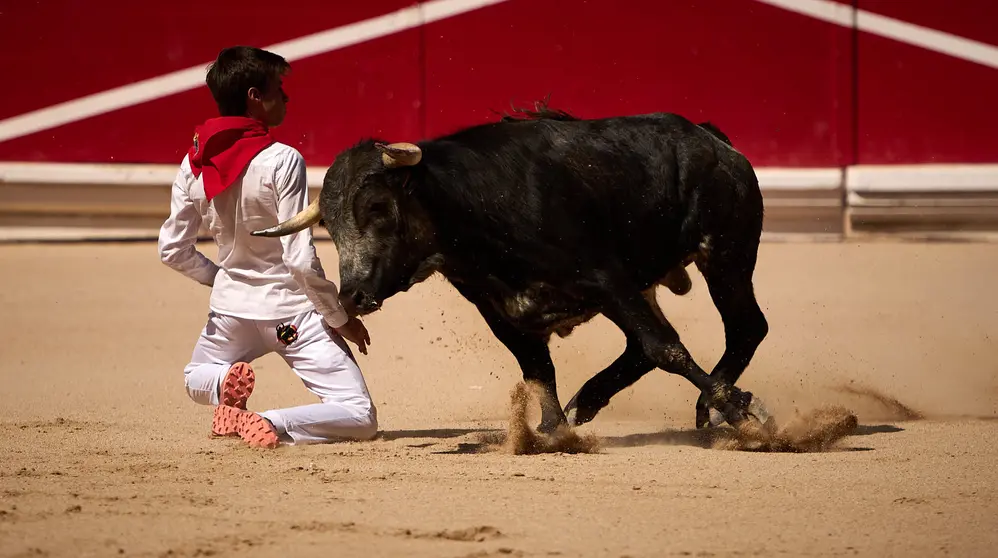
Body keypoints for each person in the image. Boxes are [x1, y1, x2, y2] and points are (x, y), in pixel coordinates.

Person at [157, 46, 377, 449]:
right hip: (292, 316)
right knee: (358, 414)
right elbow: (297, 257)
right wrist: (338, 314)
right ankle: (269, 422)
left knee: (196, 376)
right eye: (279, 89)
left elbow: (172, 249)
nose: (287, 98)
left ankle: (222, 382)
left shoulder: (194, 162)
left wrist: (224, 278)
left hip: (230, 314)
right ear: (255, 97)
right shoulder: (282, 160)